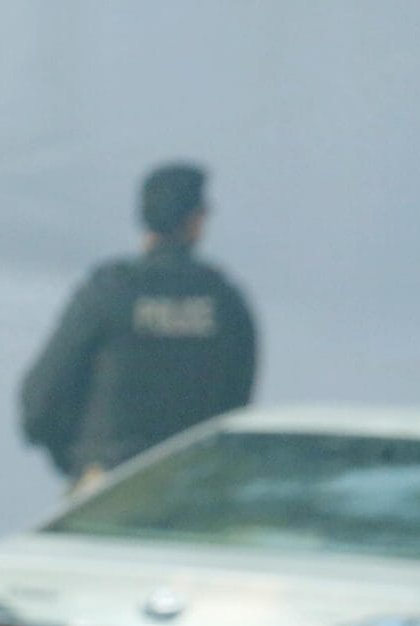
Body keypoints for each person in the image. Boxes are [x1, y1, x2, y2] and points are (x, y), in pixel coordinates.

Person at [19, 161, 259, 492]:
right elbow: (236, 412)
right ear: (196, 220)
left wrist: (81, 462)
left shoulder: (109, 293)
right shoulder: (224, 303)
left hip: (107, 491)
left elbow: (40, 401)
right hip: (192, 492)